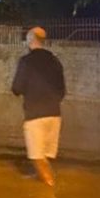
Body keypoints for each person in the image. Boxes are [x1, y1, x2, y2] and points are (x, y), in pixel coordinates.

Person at [11, 27, 65, 186]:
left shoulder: (26, 61)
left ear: (30, 41)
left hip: (35, 116)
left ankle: (50, 197)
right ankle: (42, 179)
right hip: (55, 115)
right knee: (44, 157)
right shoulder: (55, 60)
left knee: (36, 158)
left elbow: (16, 88)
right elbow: (62, 91)